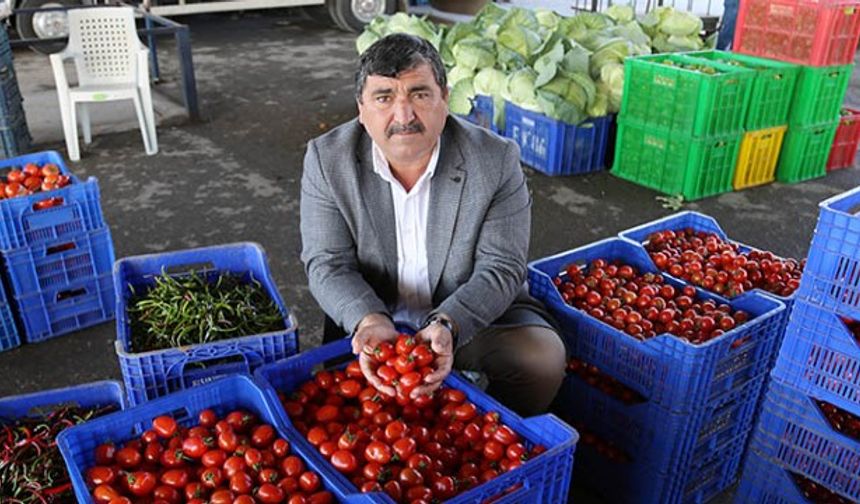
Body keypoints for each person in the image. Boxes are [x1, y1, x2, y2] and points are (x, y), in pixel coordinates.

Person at [299, 33, 565, 416]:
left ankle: (492, 433)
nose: (403, 116)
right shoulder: (328, 160)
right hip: (376, 318)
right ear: (361, 108)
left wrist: (448, 324)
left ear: (445, 98)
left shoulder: (494, 160)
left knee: (540, 361)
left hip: (464, 315)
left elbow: (502, 267)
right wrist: (367, 318)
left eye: (419, 94)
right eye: (384, 98)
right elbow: (327, 262)